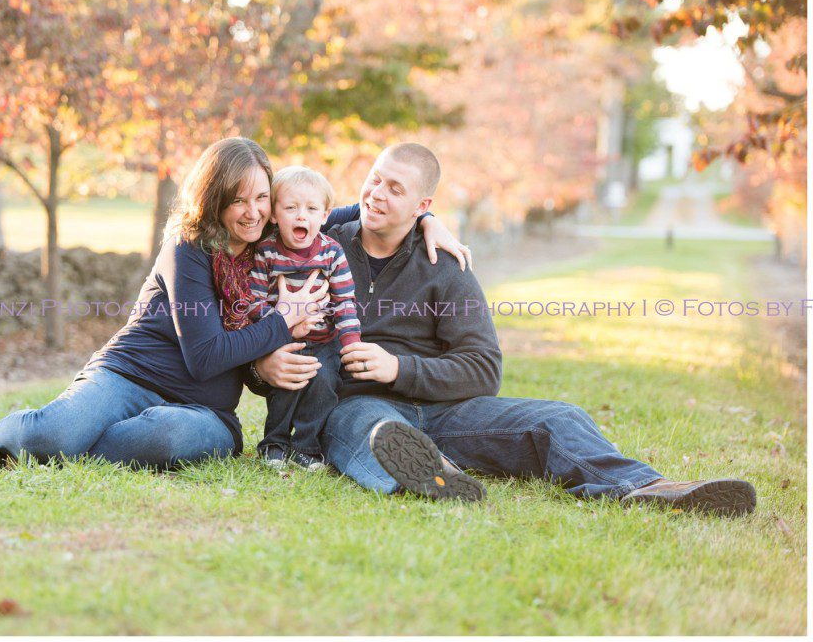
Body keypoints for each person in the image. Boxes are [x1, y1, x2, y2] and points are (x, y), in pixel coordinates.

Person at [0, 137, 472, 475]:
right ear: (215, 198)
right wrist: (281, 324)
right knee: (60, 434)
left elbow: (339, 210)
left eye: (262, 199)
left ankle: (76, 439)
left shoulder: (265, 243)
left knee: (175, 440)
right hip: (127, 376)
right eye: (239, 199)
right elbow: (205, 357)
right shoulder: (187, 249)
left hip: (208, 416)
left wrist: (424, 215)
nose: (252, 212)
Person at [252, 142, 758, 516]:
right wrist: (265, 357)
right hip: (359, 400)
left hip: (448, 413)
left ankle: (650, 489)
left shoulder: (446, 265)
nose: (376, 193)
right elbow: (251, 295)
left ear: (423, 207)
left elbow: (484, 368)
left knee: (557, 418)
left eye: (395, 188)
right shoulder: (317, 246)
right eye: (376, 178)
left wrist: (399, 367)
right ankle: (431, 474)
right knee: (365, 428)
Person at [247, 166, 361, 470]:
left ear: (324, 216)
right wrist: (284, 322)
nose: (301, 216)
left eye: (311, 209)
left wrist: (350, 343)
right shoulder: (267, 253)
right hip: (283, 338)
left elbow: (345, 301)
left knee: (323, 385)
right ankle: (274, 443)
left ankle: (306, 447)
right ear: (274, 215)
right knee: (286, 386)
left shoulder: (332, 253)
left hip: (325, 341)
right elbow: (254, 302)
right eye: (291, 208)